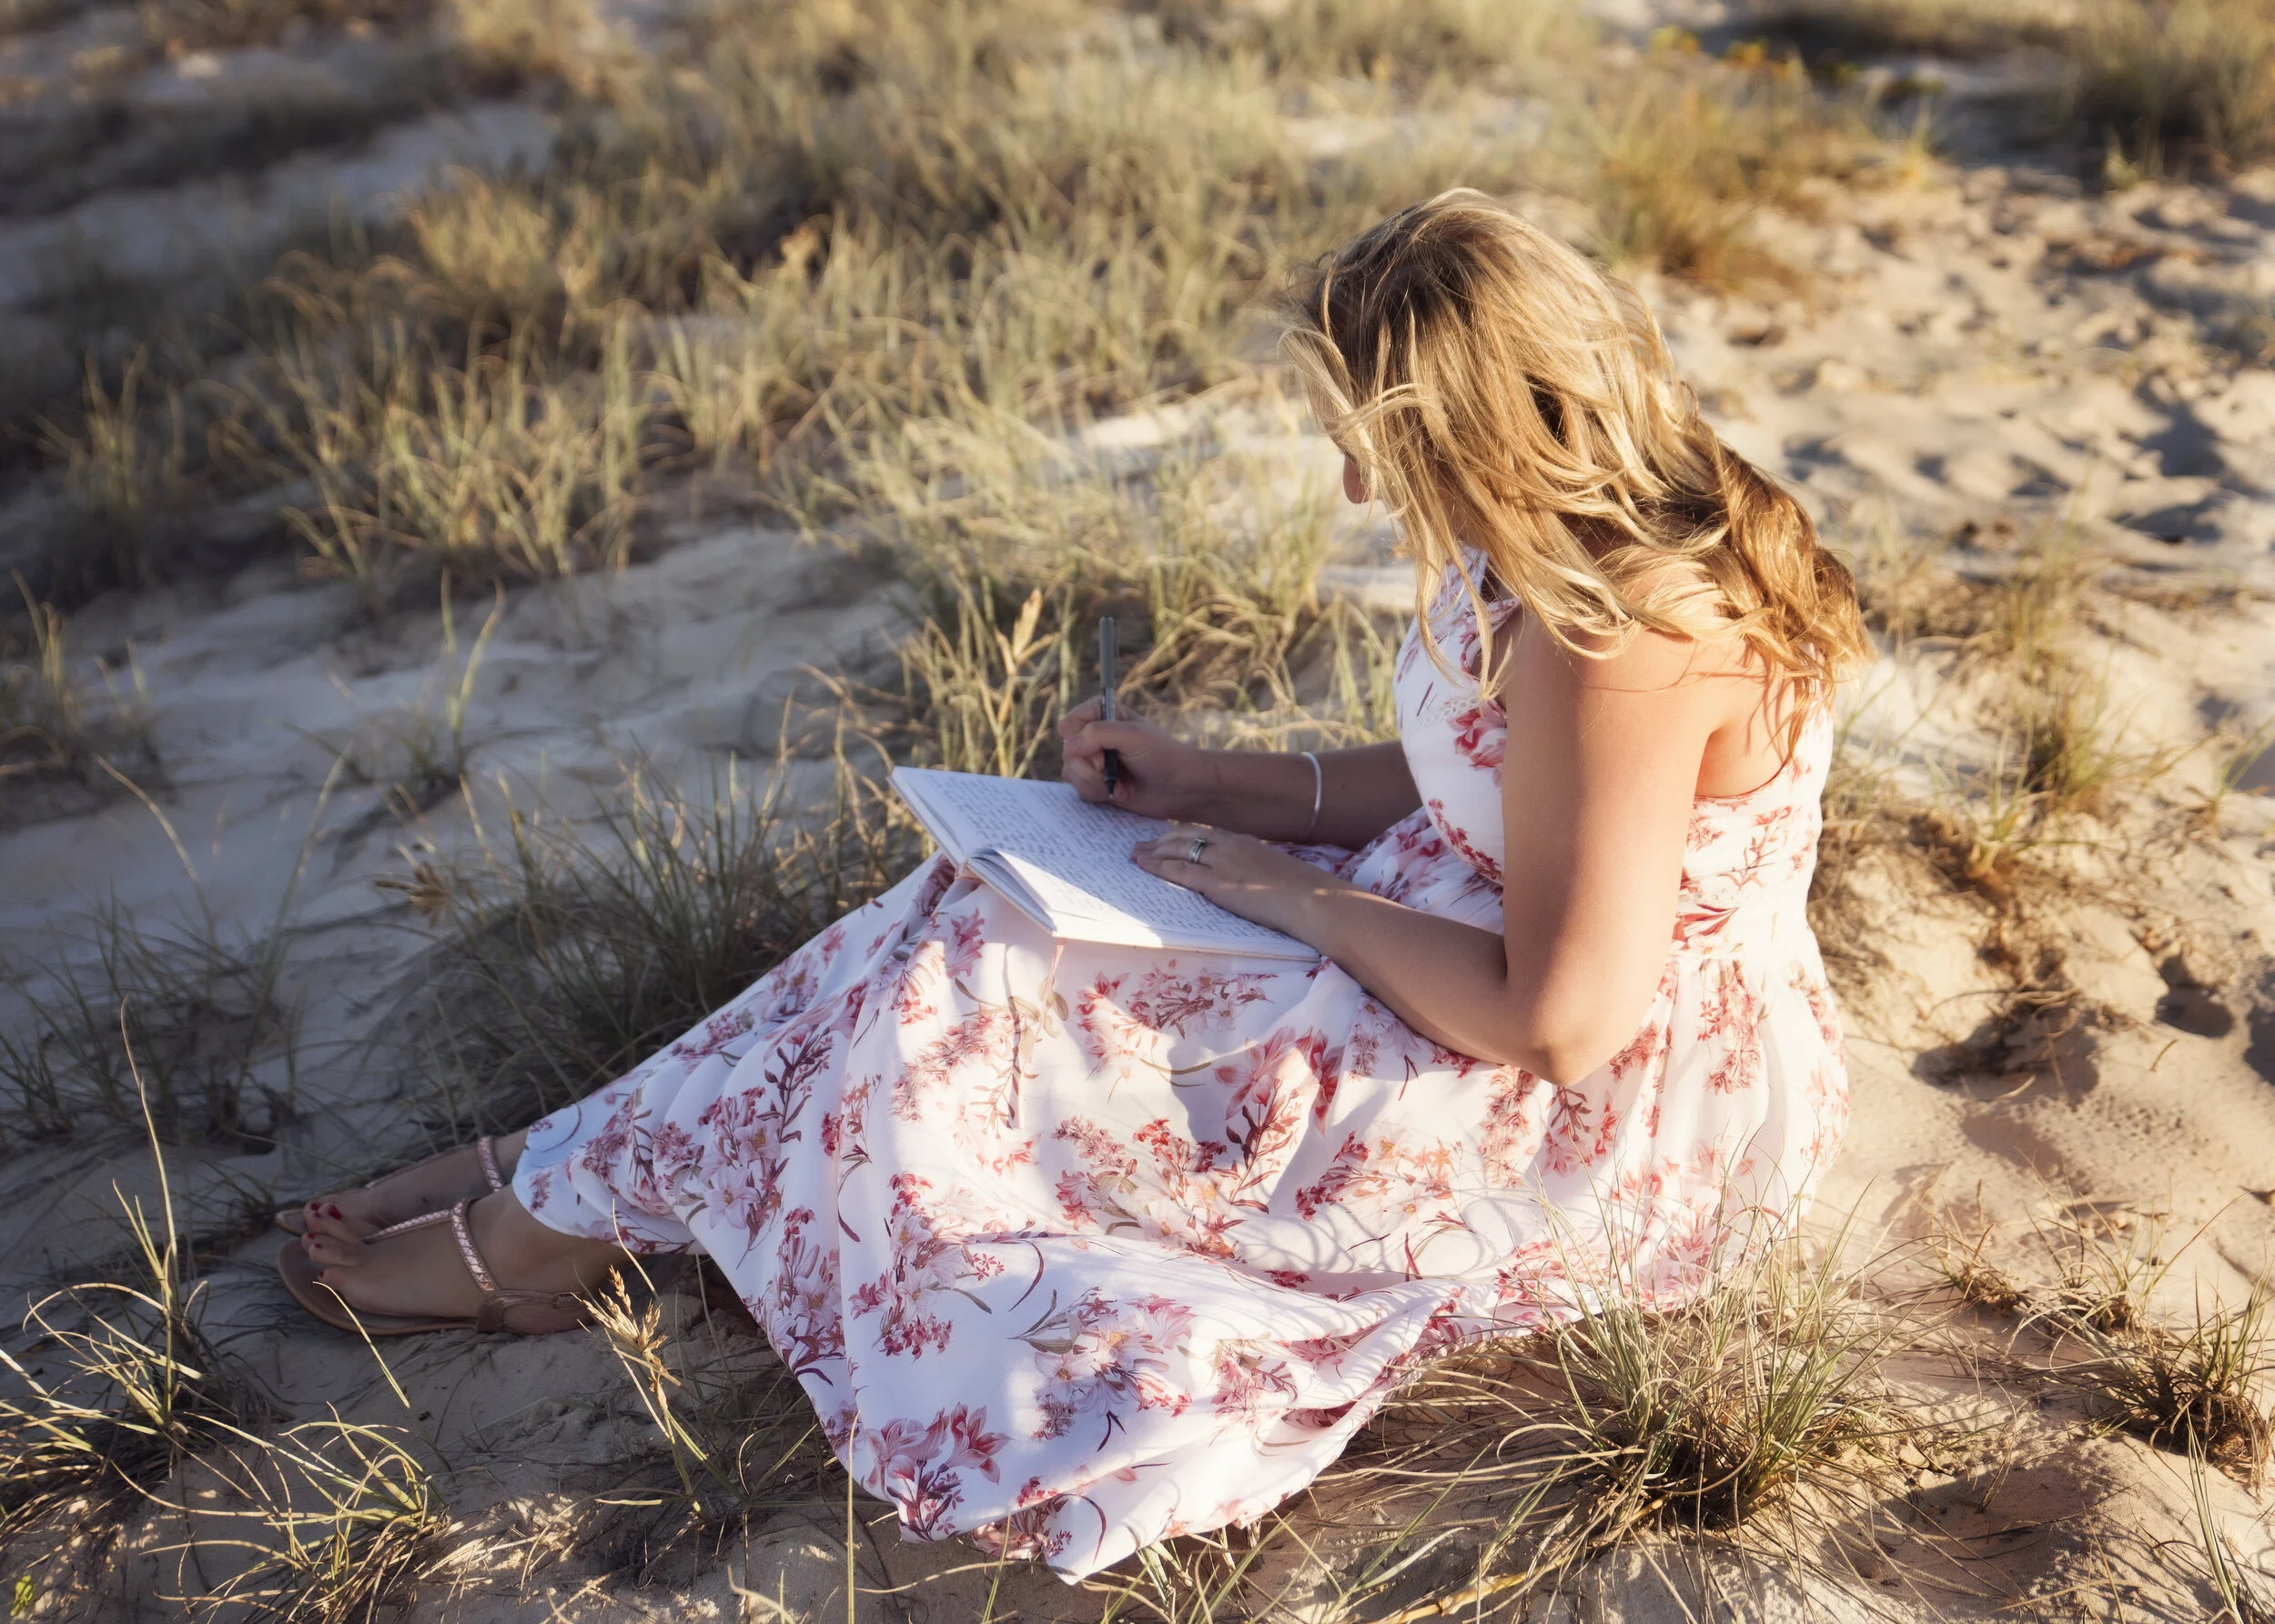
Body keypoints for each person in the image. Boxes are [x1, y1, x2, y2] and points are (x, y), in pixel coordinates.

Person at [278, 188, 1866, 1579]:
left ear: (1471, 431)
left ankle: (561, 1227)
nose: (1358, 498)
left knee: (971, 984)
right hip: (1442, 955)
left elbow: (1565, 1018)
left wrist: (1289, 892)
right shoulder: (1557, 538)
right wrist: (1222, 787)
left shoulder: (1626, 630)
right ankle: (560, 1181)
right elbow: (1500, 790)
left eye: (1371, 451)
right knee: (949, 920)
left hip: (1581, 1102)